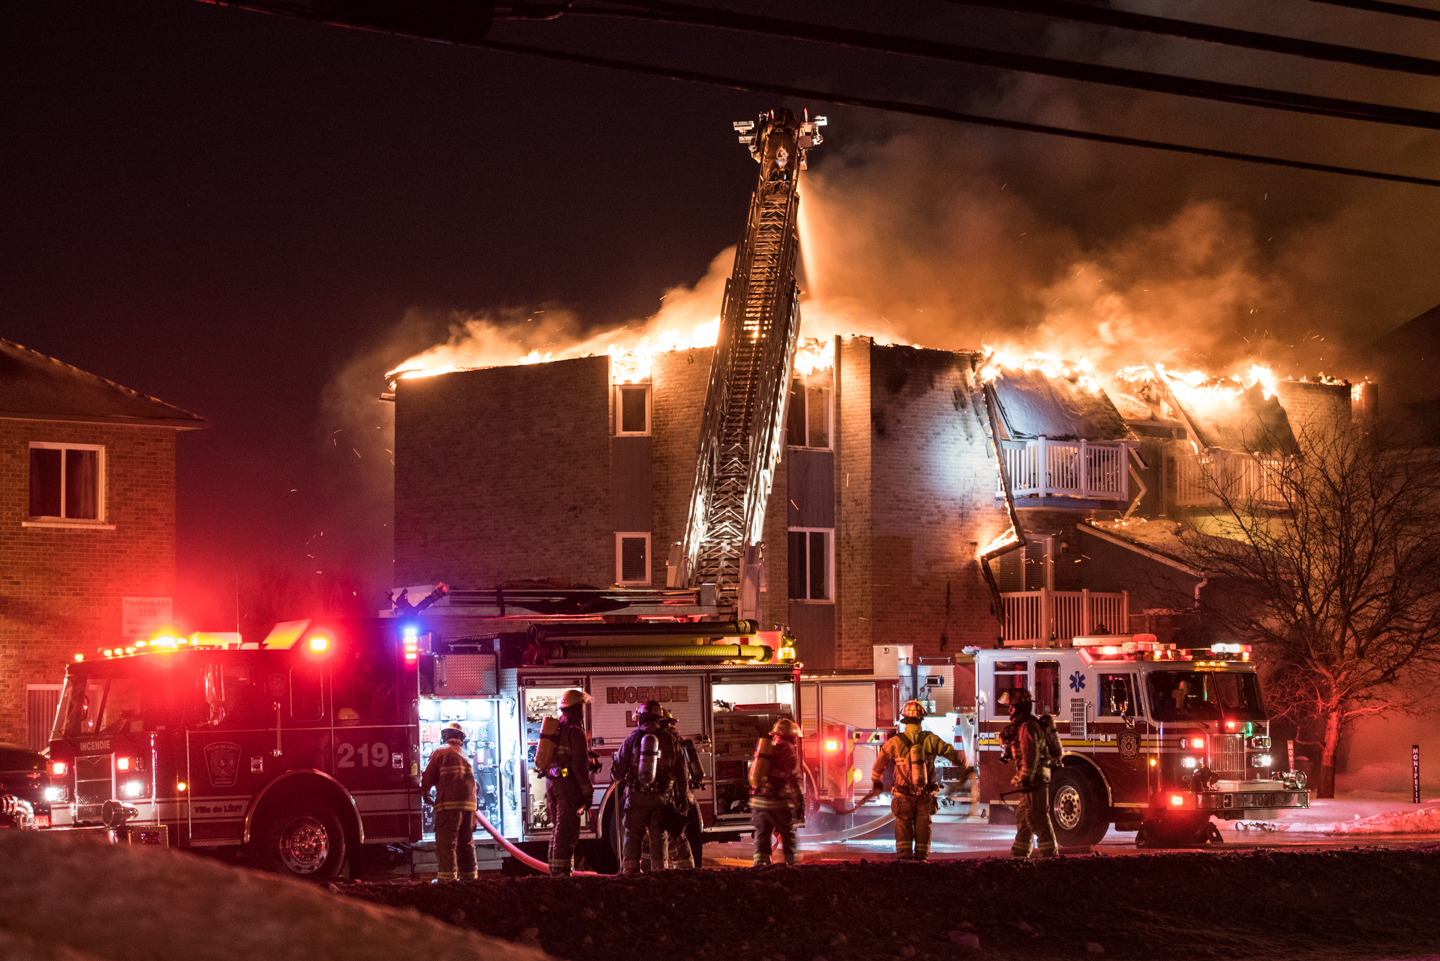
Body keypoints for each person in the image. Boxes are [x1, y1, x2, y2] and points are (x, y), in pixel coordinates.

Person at [871, 699, 970, 862]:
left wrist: (877, 782)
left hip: (903, 797)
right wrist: (965, 769)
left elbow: (879, 764)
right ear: (920, 720)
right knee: (924, 826)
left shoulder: (895, 741)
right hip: (925, 796)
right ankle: (922, 860)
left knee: (903, 825)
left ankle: (904, 860)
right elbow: (954, 755)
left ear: (904, 720)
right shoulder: (931, 739)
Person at [610, 700, 687, 875]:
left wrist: (616, 774)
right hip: (661, 799)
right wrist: (682, 795)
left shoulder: (632, 739)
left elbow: (618, 773)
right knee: (658, 836)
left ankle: (630, 875)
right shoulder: (671, 740)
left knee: (633, 835)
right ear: (660, 719)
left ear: (640, 718)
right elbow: (682, 773)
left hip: (637, 798)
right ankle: (659, 876)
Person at [999, 688, 1057, 859]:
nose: (1009, 710)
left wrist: (1025, 778)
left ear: (1019, 708)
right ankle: (1019, 855)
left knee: (1037, 818)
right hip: (1032, 779)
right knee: (1024, 817)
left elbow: (1030, 756)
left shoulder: (1028, 726)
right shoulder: (1026, 725)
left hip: (1034, 780)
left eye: (1011, 706)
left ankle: (1050, 857)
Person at [542, 689, 594, 876]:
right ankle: (562, 874)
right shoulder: (576, 732)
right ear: (577, 708)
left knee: (558, 830)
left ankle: (555, 870)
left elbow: (564, 757)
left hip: (553, 784)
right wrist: (587, 793)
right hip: (568, 786)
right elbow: (579, 767)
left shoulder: (557, 730)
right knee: (567, 832)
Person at [422, 722, 478, 880]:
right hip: (469, 807)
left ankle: (447, 881)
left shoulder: (440, 752)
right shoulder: (465, 754)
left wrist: (424, 791)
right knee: (466, 843)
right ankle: (470, 879)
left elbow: (428, 777)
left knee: (447, 843)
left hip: (449, 806)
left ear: (444, 735)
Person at [750, 717, 803, 867]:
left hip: (759, 801)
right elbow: (792, 777)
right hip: (778, 802)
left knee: (762, 834)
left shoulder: (767, 748)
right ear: (791, 736)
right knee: (788, 833)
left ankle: (760, 865)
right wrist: (799, 800)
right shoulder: (787, 750)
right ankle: (791, 865)